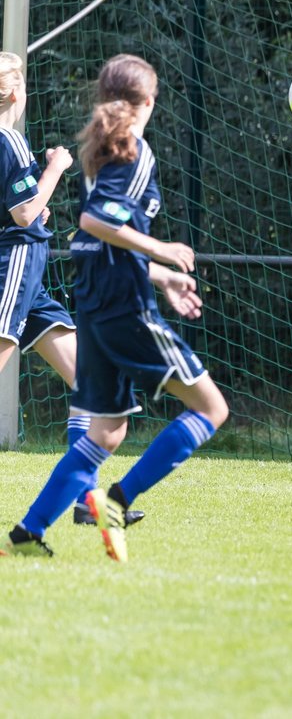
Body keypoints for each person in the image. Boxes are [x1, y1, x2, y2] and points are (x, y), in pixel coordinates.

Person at [4, 53, 228, 560]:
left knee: (106, 431)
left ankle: (27, 534)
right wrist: (162, 250)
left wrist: (164, 276)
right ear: (148, 102)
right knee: (212, 408)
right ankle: (115, 501)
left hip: (96, 306)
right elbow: (95, 223)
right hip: (125, 311)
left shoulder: (96, 151)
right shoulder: (134, 151)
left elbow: (103, 243)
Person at [0, 51, 143, 530]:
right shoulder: (11, 141)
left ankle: (86, 500)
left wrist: (32, 206)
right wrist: (57, 167)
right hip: (13, 265)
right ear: (17, 92)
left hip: (29, 274)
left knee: (90, 382)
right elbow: (23, 214)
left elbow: (18, 207)